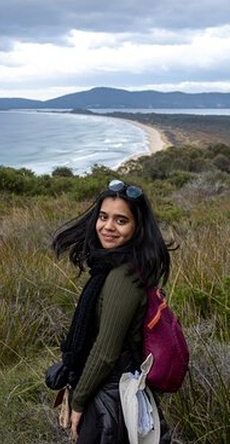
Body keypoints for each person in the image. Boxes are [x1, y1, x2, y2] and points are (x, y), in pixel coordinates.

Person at [51, 179, 174, 443]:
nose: (108, 227)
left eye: (121, 220)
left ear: (137, 227)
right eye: (104, 217)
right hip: (112, 387)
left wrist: (79, 401)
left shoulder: (123, 276)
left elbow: (106, 352)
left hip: (111, 393)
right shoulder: (113, 266)